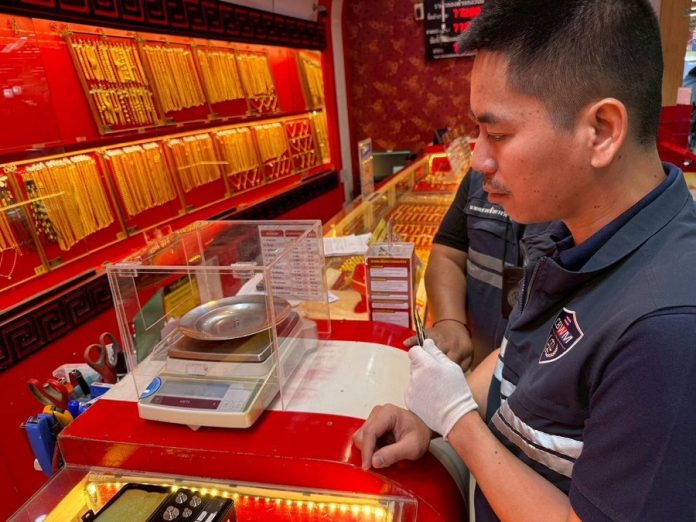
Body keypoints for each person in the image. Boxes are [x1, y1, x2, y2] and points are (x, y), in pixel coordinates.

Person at [354, 1, 696, 520]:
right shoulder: (569, 233)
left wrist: (459, 422)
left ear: (602, 131)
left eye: (497, 134)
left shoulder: (667, 328)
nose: (479, 160)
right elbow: (521, 357)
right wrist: (431, 416)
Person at [404, 168, 553, 369]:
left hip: (542, 377)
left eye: (499, 141)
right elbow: (448, 255)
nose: (478, 160)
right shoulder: (478, 178)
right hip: (476, 367)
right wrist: (451, 322)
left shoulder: (581, 198)